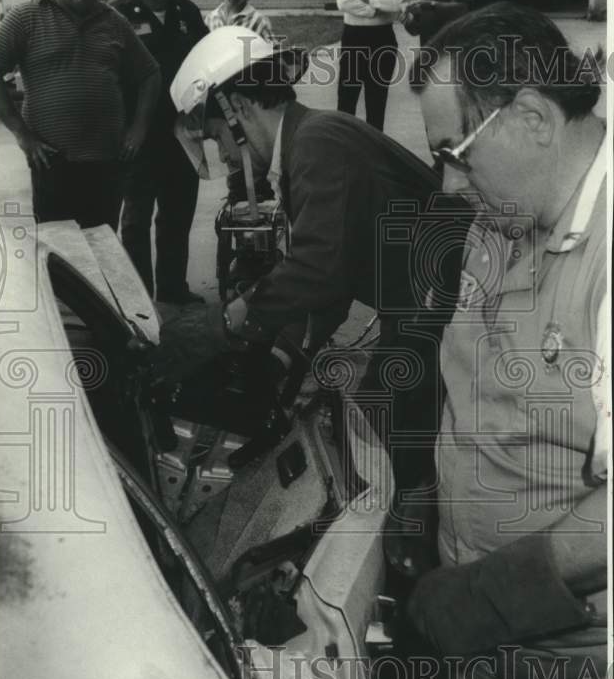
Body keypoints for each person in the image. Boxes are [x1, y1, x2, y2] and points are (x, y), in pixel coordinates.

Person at [396, 2, 608, 679]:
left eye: (455, 153)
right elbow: (477, 384)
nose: (448, 182)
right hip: (472, 621)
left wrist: (479, 596)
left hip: (584, 649)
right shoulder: (502, 214)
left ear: (530, 116)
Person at [170, 26, 468, 495]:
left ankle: (406, 543)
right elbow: (332, 282)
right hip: (425, 304)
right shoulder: (307, 145)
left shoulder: (316, 143)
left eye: (217, 139)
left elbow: (319, 269)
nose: (225, 155)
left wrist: (228, 321)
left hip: (444, 307)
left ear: (239, 108)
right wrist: (280, 358)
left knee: (377, 431)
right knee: (379, 425)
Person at [0, 0, 160, 229]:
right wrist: (23, 136)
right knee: (61, 257)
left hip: (106, 165)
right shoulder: (26, 18)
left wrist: (138, 130)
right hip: (53, 165)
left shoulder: (114, 22)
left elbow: (150, 74)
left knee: (104, 255)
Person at [113, 0, 209, 304]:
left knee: (177, 215)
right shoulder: (119, 14)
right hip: (138, 136)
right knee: (136, 221)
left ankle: (172, 288)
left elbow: (205, 62)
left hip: (182, 133)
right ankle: (139, 299)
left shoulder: (187, 12)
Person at [205, 0, 275, 205]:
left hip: (250, 104)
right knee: (232, 159)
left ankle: (259, 204)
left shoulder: (257, 22)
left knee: (252, 161)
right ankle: (239, 206)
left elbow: (269, 70)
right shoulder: (210, 20)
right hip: (222, 104)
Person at [335, 0, 406, 132]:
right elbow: (343, 2)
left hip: (382, 39)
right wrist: (375, 9)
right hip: (354, 38)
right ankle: (344, 145)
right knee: (347, 98)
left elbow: (398, 3)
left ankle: (374, 150)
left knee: (377, 100)